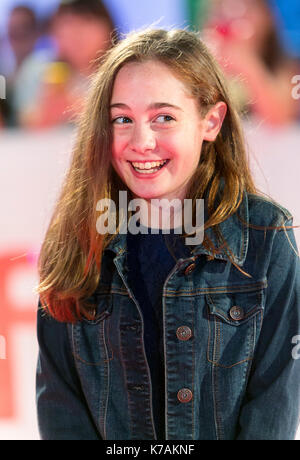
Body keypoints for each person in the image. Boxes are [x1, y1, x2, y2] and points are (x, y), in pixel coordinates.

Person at [36, 28, 300, 440]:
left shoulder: (266, 238)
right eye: (122, 119)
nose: (141, 142)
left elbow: (275, 405)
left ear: (210, 121)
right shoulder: (75, 238)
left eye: (164, 118)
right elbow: (60, 406)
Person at [13, 0, 116, 129]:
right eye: (68, 23)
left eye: (87, 21)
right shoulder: (38, 70)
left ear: (108, 27)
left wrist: (78, 107)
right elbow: (22, 128)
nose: (77, 33)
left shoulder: (122, 71)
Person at [202, 0, 300, 126]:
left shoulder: (287, 67)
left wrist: (248, 65)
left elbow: (279, 120)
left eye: (248, 7)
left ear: (267, 17)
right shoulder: (205, 61)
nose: (234, 14)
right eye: (223, 9)